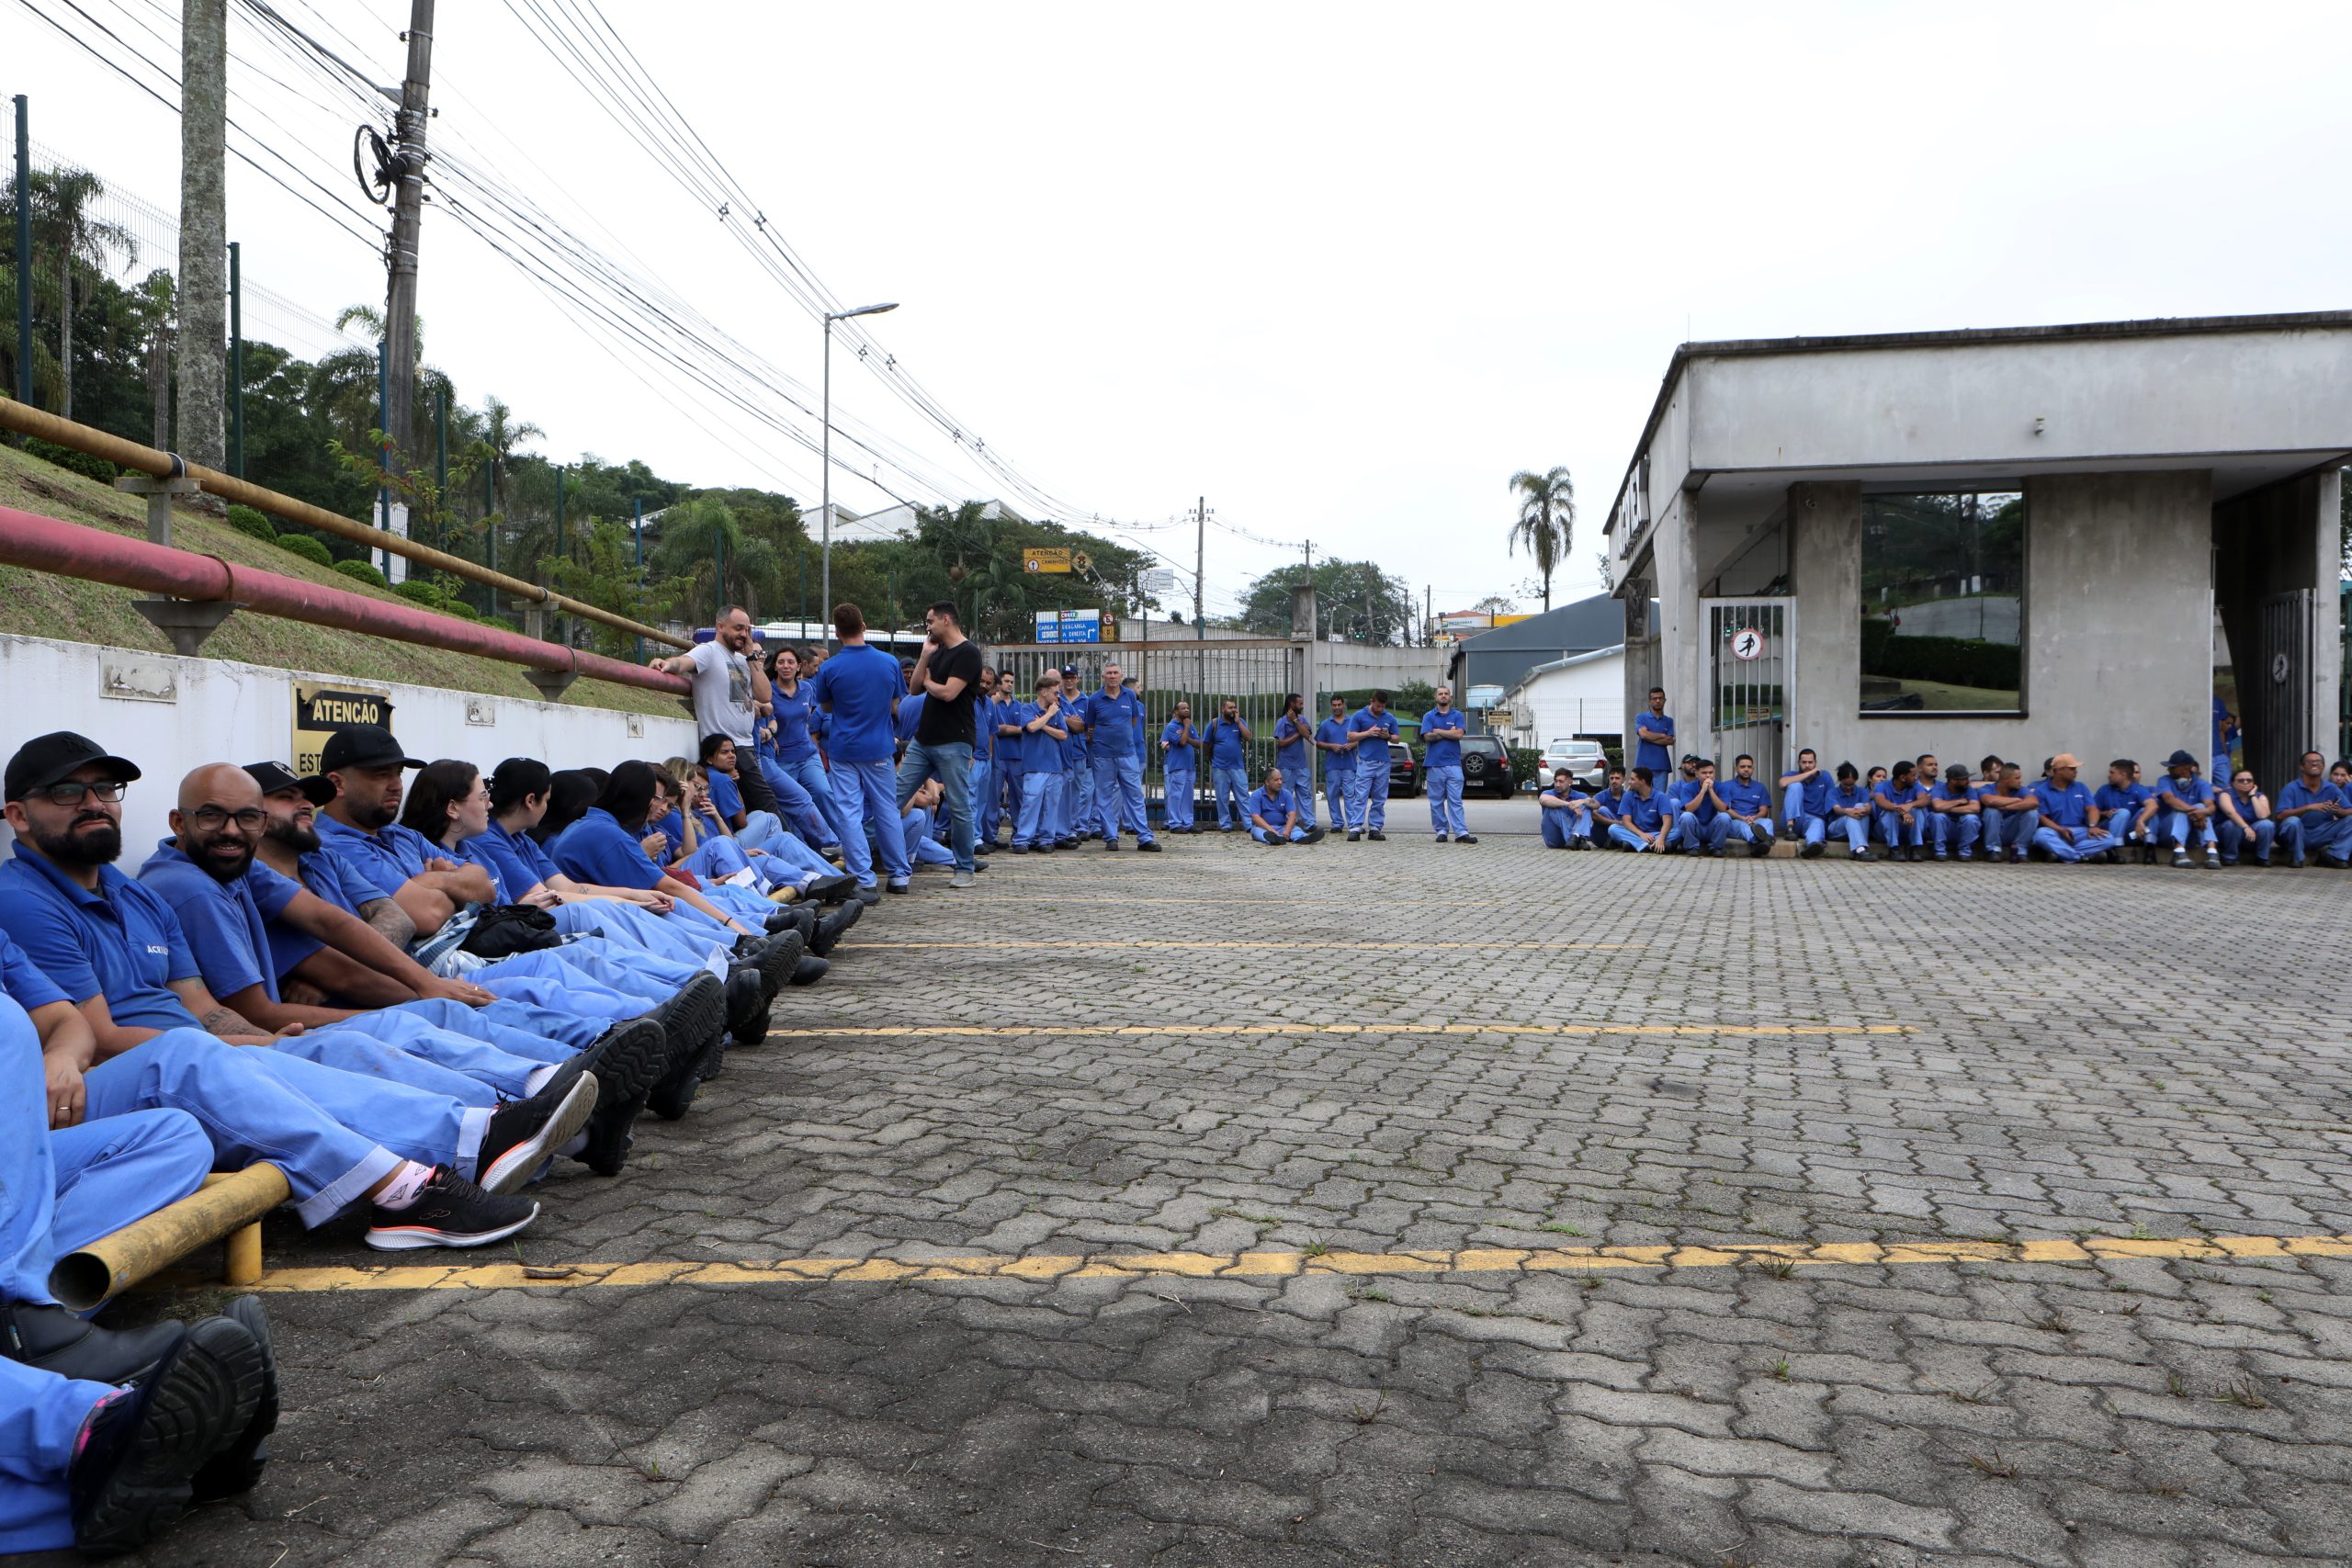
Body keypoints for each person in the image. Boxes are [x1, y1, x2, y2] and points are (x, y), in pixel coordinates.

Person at [807, 604, 912, 896]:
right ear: (863, 625)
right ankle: (899, 875)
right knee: (887, 810)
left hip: (843, 750)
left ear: (837, 632)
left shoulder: (829, 667)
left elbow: (825, 706)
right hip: (879, 748)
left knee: (849, 813)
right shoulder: (889, 662)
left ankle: (864, 879)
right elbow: (895, 705)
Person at [646, 607, 783, 820]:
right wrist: (668, 664)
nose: (744, 634)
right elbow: (684, 662)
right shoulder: (709, 651)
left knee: (752, 808)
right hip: (727, 745)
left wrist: (752, 656)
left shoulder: (742, 659)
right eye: (738, 628)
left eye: (747, 630)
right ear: (720, 626)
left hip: (748, 742)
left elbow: (765, 695)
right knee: (767, 805)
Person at [896, 602, 982, 886]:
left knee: (958, 807)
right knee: (894, 797)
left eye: (930, 621)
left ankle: (965, 868)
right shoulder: (937, 651)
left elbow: (947, 693)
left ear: (947, 620)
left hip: (954, 742)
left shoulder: (968, 653)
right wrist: (924, 657)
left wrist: (931, 681)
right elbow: (913, 689)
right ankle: (862, 849)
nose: (928, 626)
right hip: (923, 741)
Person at [762, 646, 846, 858]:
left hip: (808, 754)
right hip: (782, 759)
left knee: (823, 792)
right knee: (791, 806)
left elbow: (805, 719)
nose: (786, 666)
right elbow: (765, 719)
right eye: (781, 662)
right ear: (775, 666)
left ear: (799, 666)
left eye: (791, 662)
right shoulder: (767, 691)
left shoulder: (808, 688)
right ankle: (806, 850)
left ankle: (844, 841)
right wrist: (773, 736)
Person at [1073, 661, 1159, 852]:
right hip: (1103, 756)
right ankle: (1111, 837)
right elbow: (1090, 725)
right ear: (1103, 677)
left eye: (1115, 673)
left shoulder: (1130, 696)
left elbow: (1134, 720)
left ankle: (1145, 838)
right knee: (1104, 797)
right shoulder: (1095, 699)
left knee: (1135, 795)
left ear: (1121, 676)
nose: (1112, 676)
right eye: (1109, 673)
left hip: (1128, 754)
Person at [1011, 673, 1068, 852]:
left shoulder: (1057, 711)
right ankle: (1023, 840)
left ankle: (1045, 839)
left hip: (1055, 766)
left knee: (1051, 805)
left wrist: (1043, 723)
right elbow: (1030, 727)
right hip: (1034, 766)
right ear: (1043, 692)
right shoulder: (1028, 708)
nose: (1058, 696)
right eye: (1055, 693)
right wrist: (1048, 716)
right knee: (1031, 803)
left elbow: (1063, 735)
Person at [2031, 753, 2118, 864]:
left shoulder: (2081, 787)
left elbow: (2092, 808)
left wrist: (2093, 826)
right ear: (2059, 770)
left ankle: (2062, 853)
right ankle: (2081, 857)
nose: (2076, 771)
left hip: (2080, 831)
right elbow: (2042, 817)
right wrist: (2060, 830)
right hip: (2056, 831)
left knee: (2109, 839)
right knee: (2041, 835)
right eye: (2072, 769)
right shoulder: (2041, 791)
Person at [2274, 750, 2350, 869]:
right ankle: (2297, 858)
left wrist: (2339, 811)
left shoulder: (2331, 788)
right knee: (2292, 821)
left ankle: (2335, 856)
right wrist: (2308, 808)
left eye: (2318, 762)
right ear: (2302, 767)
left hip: (2321, 833)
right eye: (2310, 761)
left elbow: (2349, 810)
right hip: (2297, 834)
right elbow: (2280, 815)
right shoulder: (2291, 788)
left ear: (2323, 767)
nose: (2315, 764)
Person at [1419, 686, 1475, 844]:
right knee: (1436, 801)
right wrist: (1448, 732)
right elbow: (1427, 737)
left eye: (1446, 694)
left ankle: (1461, 832)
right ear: (1435, 697)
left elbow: (1459, 734)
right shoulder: (1428, 716)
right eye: (1440, 694)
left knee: (1455, 800)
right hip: (1434, 765)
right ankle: (1441, 831)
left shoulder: (1457, 715)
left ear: (1450, 697)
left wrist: (1438, 730)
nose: (1443, 696)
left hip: (1453, 765)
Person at [2154, 749, 2222, 869]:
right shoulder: (2164, 780)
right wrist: (2195, 813)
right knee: (2182, 810)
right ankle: (2179, 852)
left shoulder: (2202, 784)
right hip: (2167, 833)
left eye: (2173, 767)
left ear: (2186, 768)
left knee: (2201, 807)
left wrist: (2203, 812)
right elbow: (2170, 800)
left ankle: (2212, 852)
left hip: (2192, 834)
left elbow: (2211, 807)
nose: (2169, 769)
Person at [1345, 693, 1398, 841]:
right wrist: (1368, 733)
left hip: (1383, 762)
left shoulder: (1389, 717)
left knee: (1380, 798)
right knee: (1361, 795)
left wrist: (1387, 736)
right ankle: (1355, 827)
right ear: (1371, 702)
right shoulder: (1359, 716)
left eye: (1383, 706)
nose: (1380, 709)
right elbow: (1350, 736)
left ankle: (1375, 828)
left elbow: (1397, 738)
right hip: (1365, 762)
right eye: (1377, 706)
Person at [1057, 664, 1095, 841]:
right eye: (1066, 677)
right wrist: (1071, 722)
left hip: (1079, 752)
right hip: (1058, 753)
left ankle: (1073, 827)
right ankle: (1060, 828)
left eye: (1072, 677)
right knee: (1059, 792)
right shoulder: (1057, 699)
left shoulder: (1087, 702)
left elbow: (1087, 727)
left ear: (1078, 679)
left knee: (1077, 793)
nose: (1069, 680)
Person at [2095, 760, 2158, 864]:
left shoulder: (2137, 789)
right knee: (2123, 813)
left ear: (2123, 775)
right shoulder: (2104, 790)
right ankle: (2112, 850)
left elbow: (2153, 805)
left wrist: (2140, 821)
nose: (2108, 776)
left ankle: (2150, 850)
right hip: (2108, 833)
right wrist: (2104, 813)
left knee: (2147, 812)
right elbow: (2093, 811)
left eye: (2112, 773)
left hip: (2131, 834)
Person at [1204, 700, 1252, 832]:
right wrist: (1210, 759)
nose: (1233, 710)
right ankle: (1225, 825)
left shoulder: (1240, 721)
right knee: (1221, 797)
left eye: (1235, 707)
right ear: (1222, 709)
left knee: (1243, 796)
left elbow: (1248, 737)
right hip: (1220, 767)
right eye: (1230, 708)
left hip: (1237, 767)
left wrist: (1238, 722)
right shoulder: (1214, 724)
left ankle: (1249, 825)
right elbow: (1206, 743)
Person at [1314, 695, 1359, 839]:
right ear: (1331, 706)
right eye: (1334, 705)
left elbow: (1361, 739)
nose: (1337, 707)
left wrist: (1351, 745)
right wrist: (1331, 746)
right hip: (1332, 764)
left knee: (1350, 795)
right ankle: (1337, 824)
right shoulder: (1326, 724)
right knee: (1332, 795)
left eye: (1339, 704)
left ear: (1344, 704)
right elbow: (1318, 743)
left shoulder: (1352, 721)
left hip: (1349, 764)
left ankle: (1353, 824)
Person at [1978, 761, 2040, 864]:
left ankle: (2020, 851)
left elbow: (2033, 802)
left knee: (2032, 813)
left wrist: (2006, 806)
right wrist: (2017, 800)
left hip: (2011, 828)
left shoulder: (2021, 790)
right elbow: (1990, 801)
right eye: (2017, 778)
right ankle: (1993, 850)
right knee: (1991, 811)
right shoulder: (1987, 789)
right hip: (1993, 829)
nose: (2020, 781)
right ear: (2006, 779)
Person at [1273, 694, 1318, 832]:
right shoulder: (1281, 722)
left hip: (1301, 765)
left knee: (1305, 795)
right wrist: (1298, 734)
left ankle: (1310, 823)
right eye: (1300, 703)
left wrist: (1295, 721)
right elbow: (1281, 743)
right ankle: (1289, 823)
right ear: (1292, 704)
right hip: (1286, 766)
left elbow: (1308, 734)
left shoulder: (1302, 719)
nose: (1302, 706)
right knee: (1286, 795)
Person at [1244, 767, 1323, 845]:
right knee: (1257, 832)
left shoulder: (1286, 794)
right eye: (1276, 780)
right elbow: (1255, 817)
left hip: (1282, 827)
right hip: (1263, 828)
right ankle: (1274, 839)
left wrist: (1287, 831)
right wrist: (1272, 830)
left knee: (1296, 830)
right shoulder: (1256, 795)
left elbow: (1292, 815)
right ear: (1267, 782)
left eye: (1281, 779)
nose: (1280, 782)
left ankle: (1304, 838)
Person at [1715, 754, 1775, 856]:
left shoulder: (1760, 787)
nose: (1746, 769)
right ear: (1736, 769)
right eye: (1743, 767)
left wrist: (1754, 817)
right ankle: (1763, 841)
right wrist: (1742, 818)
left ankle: (1762, 844)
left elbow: (1764, 811)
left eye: (1749, 767)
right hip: (1735, 821)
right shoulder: (1726, 786)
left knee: (1768, 821)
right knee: (1743, 826)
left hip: (1754, 820)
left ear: (1753, 769)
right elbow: (1725, 809)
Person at [1668, 760, 1729, 856]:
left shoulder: (1722, 787)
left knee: (1725, 817)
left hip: (1711, 826)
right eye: (1704, 773)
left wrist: (1711, 791)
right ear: (1697, 774)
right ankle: (1691, 847)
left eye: (1711, 772)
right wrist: (1703, 791)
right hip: (1696, 826)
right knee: (1686, 816)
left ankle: (1716, 848)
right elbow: (1688, 809)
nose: (1708, 776)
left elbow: (1723, 809)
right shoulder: (1688, 788)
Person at [2216, 768, 2276, 866]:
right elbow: (2230, 813)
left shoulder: (2260, 796)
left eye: (2249, 780)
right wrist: (2246, 827)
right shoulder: (2225, 795)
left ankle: (2262, 858)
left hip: (2251, 836)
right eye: (2241, 780)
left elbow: (2262, 815)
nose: (2245, 782)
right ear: (2232, 783)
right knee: (2231, 824)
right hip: (2229, 834)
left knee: (2267, 824)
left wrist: (2253, 796)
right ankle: (2229, 857)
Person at [1871, 760, 1928, 862]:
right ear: (1902, 778)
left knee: (1918, 810)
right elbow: (1881, 802)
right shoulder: (1881, 786)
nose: (1916, 778)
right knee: (1889, 811)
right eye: (1913, 775)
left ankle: (1914, 848)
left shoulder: (1915, 785)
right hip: (1884, 832)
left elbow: (1925, 799)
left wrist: (1910, 805)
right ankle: (1894, 849)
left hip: (1906, 830)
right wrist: (1902, 810)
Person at [1780, 749, 1831, 858]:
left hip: (1812, 820)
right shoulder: (1792, 775)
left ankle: (1812, 846)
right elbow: (1782, 784)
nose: (1807, 765)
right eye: (1804, 762)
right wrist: (1810, 773)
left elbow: (1831, 798)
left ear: (1815, 763)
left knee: (1818, 822)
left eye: (1810, 762)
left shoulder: (1825, 776)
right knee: (1795, 785)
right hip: (1794, 819)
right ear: (1799, 763)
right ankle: (1790, 829)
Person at [1925, 764, 1983, 862]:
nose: (1968, 781)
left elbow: (1975, 808)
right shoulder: (1939, 788)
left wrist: (1948, 808)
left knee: (1971, 818)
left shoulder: (1969, 789)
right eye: (1964, 779)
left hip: (1961, 828)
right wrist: (1959, 802)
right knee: (1937, 816)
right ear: (1953, 780)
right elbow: (1938, 806)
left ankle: (1964, 851)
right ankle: (1940, 851)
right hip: (1945, 828)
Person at [1603, 767, 1669, 852]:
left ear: (1642, 781)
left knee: (1677, 832)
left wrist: (1661, 838)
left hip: (1656, 834)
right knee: (1613, 829)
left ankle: (1634, 844)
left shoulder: (1661, 796)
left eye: (1632, 779)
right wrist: (1642, 835)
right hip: (1635, 833)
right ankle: (1649, 846)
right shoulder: (1628, 796)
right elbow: (1626, 822)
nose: (1629, 782)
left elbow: (1667, 821)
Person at [1159, 701, 1201, 833]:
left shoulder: (1190, 725)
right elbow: (1182, 742)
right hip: (1177, 766)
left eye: (1188, 708)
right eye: (1183, 708)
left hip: (1189, 766)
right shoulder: (1171, 727)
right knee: (1175, 795)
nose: (1187, 710)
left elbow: (1199, 743)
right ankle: (1175, 823)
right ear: (1175, 711)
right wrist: (1187, 729)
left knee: (1188, 796)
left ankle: (1188, 823)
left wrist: (1186, 734)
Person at [1822, 763, 1874, 859]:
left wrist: (1865, 810)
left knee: (1860, 807)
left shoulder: (1862, 791)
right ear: (1840, 780)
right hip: (1836, 830)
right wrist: (1847, 811)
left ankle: (1861, 849)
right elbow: (1837, 809)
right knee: (1849, 817)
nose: (1849, 787)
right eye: (1846, 784)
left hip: (1855, 830)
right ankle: (1860, 849)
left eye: (1852, 784)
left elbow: (1868, 806)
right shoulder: (1832, 793)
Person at [1537, 769, 1593, 849]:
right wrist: (1569, 805)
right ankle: (1577, 837)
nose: (1557, 785)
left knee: (1586, 806)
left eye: (1561, 781)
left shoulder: (1579, 795)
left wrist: (1582, 801)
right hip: (1555, 838)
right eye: (1556, 781)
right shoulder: (1548, 793)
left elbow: (1594, 804)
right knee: (1554, 807)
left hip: (1573, 841)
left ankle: (1576, 836)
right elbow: (1542, 799)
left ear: (1570, 782)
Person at [1633, 688, 1675, 780]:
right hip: (1642, 765)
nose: (1658, 701)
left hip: (1662, 765)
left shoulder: (1669, 721)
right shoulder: (1641, 717)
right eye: (1654, 699)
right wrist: (1662, 735)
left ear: (1665, 700)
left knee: (1659, 794)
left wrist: (1649, 735)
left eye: (1660, 698)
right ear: (1649, 702)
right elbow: (1643, 735)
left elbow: (1670, 740)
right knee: (1642, 794)